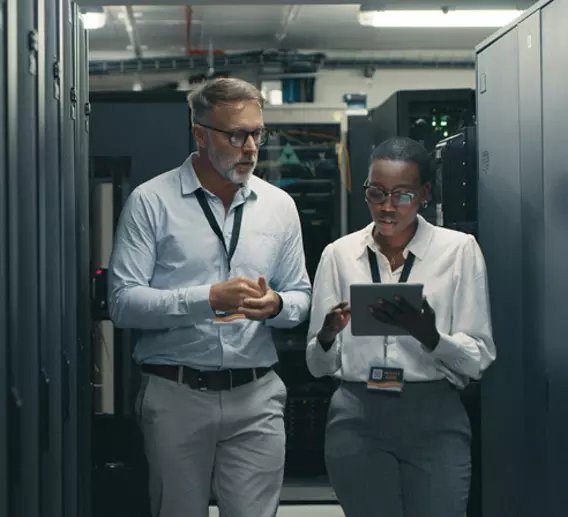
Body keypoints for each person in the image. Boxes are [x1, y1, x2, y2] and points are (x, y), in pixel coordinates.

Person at [108, 77, 311, 517]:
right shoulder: (151, 202)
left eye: (257, 133)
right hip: (176, 392)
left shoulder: (279, 206)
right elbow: (123, 303)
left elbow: (300, 298)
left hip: (256, 394)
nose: (251, 147)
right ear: (199, 133)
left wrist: (276, 305)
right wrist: (208, 299)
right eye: (236, 134)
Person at [306, 137, 496, 517]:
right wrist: (327, 334)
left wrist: (430, 336)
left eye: (403, 195)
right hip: (357, 415)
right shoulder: (340, 254)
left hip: (433, 415)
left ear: (425, 193)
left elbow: (479, 359)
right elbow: (317, 365)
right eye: (376, 193)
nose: (387, 207)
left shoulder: (458, 250)